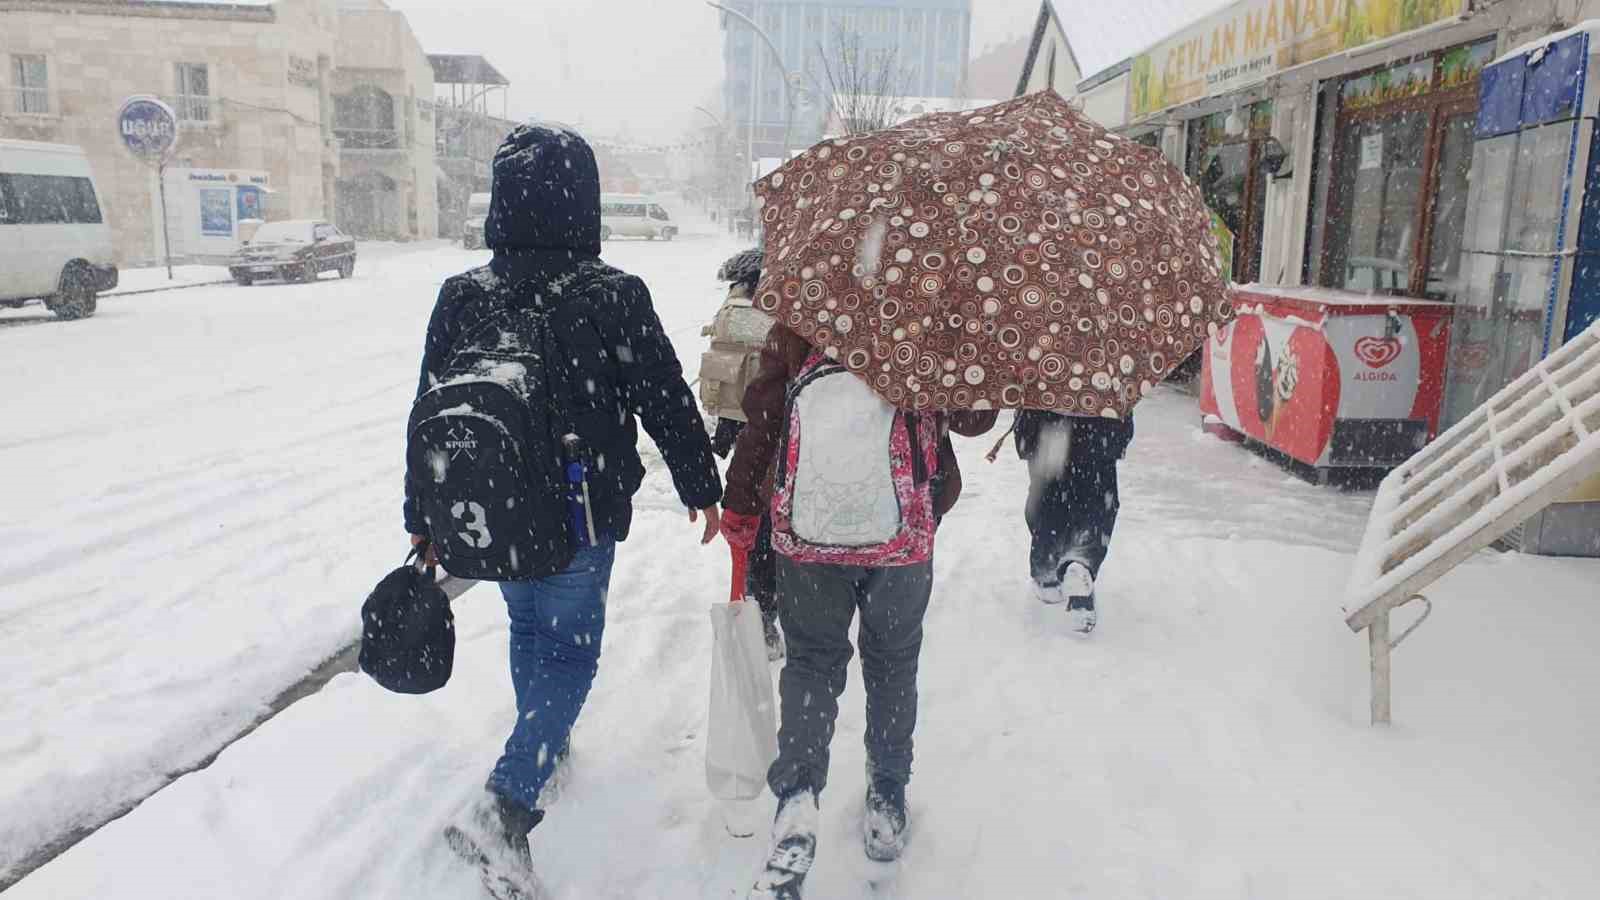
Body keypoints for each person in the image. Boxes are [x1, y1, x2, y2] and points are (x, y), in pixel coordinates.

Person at [403, 123, 723, 893]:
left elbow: (425, 407)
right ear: (585, 201)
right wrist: (700, 485)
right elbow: (665, 396)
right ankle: (508, 801)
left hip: (495, 508)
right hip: (579, 512)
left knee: (527, 627)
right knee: (571, 650)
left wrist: (423, 511)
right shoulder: (611, 294)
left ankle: (542, 741)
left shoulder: (463, 294)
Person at [720, 323, 995, 898]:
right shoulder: (931, 311)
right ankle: (887, 803)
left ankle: (796, 802)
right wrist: (974, 353)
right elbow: (974, 421)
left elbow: (764, 416)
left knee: (813, 663)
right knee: (892, 663)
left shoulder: (806, 307)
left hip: (808, 529)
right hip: (903, 535)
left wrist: (742, 502)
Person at [699, 248, 782, 657]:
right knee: (776, 528)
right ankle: (771, 614)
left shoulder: (734, 306)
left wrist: (726, 434)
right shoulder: (786, 301)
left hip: (747, 431)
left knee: (758, 530)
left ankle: (761, 613)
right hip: (781, 432)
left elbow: (736, 373)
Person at [1014, 411, 1134, 633]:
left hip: (1046, 416)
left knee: (1049, 497)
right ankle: (1081, 561)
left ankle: (1046, 568)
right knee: (1097, 500)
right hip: (1099, 420)